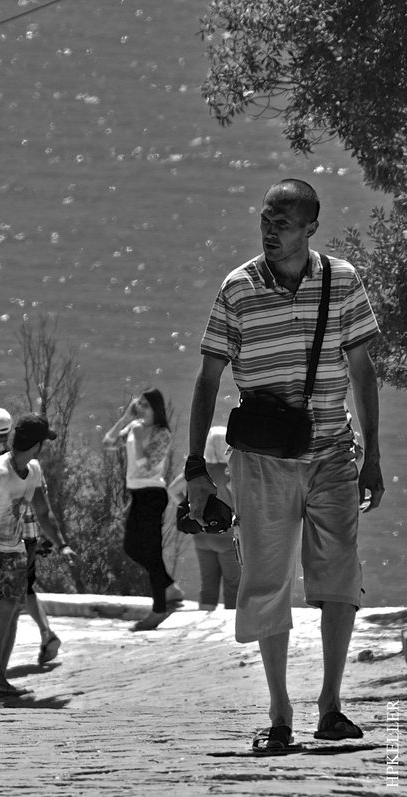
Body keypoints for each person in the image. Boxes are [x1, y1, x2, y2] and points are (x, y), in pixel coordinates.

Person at [187, 178, 383, 752]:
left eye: (284, 223)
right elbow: (207, 380)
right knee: (266, 581)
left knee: (339, 577)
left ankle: (330, 706)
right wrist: (196, 465)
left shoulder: (343, 281)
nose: (271, 231)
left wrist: (372, 457)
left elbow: (363, 372)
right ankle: (279, 713)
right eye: (266, 221)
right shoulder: (238, 288)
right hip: (265, 461)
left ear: (310, 227)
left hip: (332, 456)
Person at [0, 410, 75, 697]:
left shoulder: (32, 469)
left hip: (15, 549)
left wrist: (62, 544)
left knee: (11, 611)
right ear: (36, 445)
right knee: (9, 606)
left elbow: (43, 511)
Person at [104, 388, 181, 631]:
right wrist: (126, 419)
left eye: (146, 405)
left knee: (151, 552)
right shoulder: (134, 425)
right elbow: (108, 443)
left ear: (156, 408)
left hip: (152, 494)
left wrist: (136, 435)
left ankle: (159, 609)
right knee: (131, 547)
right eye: (140, 404)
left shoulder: (162, 433)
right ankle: (169, 587)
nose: (142, 409)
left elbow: (147, 466)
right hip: (137, 493)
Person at [195, 425, 240, 611]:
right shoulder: (230, 471)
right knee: (233, 584)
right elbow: (236, 496)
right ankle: (230, 624)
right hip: (226, 535)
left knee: (207, 583)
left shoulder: (200, 470)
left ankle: (202, 620)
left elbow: (174, 489)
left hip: (201, 535)